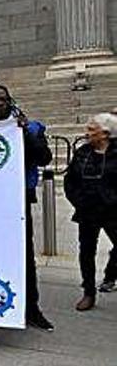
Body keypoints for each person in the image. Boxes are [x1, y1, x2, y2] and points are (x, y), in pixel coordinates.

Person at [0, 79, 54, 330]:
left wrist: (23, 132)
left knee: (25, 255)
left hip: (19, 200)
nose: (0, 103)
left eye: (4, 99)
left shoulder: (30, 128)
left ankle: (32, 308)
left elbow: (45, 157)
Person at [63, 113, 117, 311]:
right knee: (86, 253)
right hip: (88, 211)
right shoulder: (83, 152)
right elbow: (70, 181)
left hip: (113, 212)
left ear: (105, 134)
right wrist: (78, 201)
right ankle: (88, 292)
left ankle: (111, 274)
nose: (87, 134)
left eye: (92, 130)